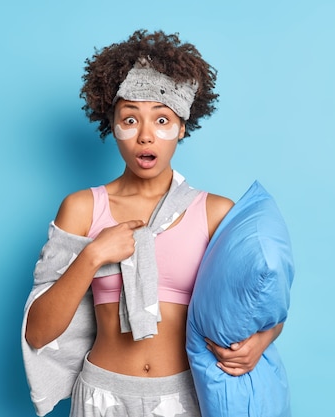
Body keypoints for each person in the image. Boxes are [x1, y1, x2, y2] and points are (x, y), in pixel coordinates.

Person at [23, 29, 284, 417]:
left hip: (184, 396)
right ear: (112, 124)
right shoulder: (82, 208)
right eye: (130, 119)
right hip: (102, 395)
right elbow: (38, 332)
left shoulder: (214, 213)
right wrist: (93, 255)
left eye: (162, 120)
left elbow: (259, 303)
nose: (146, 136)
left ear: (181, 126)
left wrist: (262, 339)